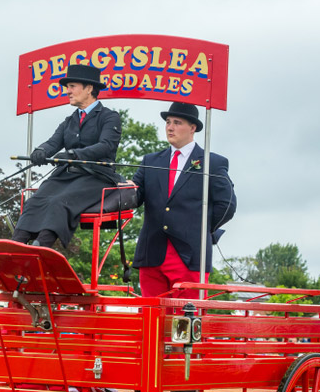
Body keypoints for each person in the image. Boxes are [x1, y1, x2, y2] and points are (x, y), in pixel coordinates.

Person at [12, 63, 124, 248]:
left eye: (72, 86)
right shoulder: (69, 121)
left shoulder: (109, 117)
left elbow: (105, 146)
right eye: (68, 87)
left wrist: (73, 154)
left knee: (58, 202)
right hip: (67, 176)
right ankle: (16, 246)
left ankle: (41, 247)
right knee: (35, 201)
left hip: (96, 176)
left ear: (89, 88)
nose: (68, 91)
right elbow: (53, 143)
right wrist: (40, 152)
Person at [131, 102, 237, 297]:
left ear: (193, 127)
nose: (170, 127)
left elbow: (227, 204)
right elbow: (134, 195)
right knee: (151, 320)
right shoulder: (151, 161)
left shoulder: (212, 163)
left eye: (177, 122)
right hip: (152, 255)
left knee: (185, 323)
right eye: (168, 122)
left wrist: (202, 229)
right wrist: (122, 188)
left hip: (190, 257)